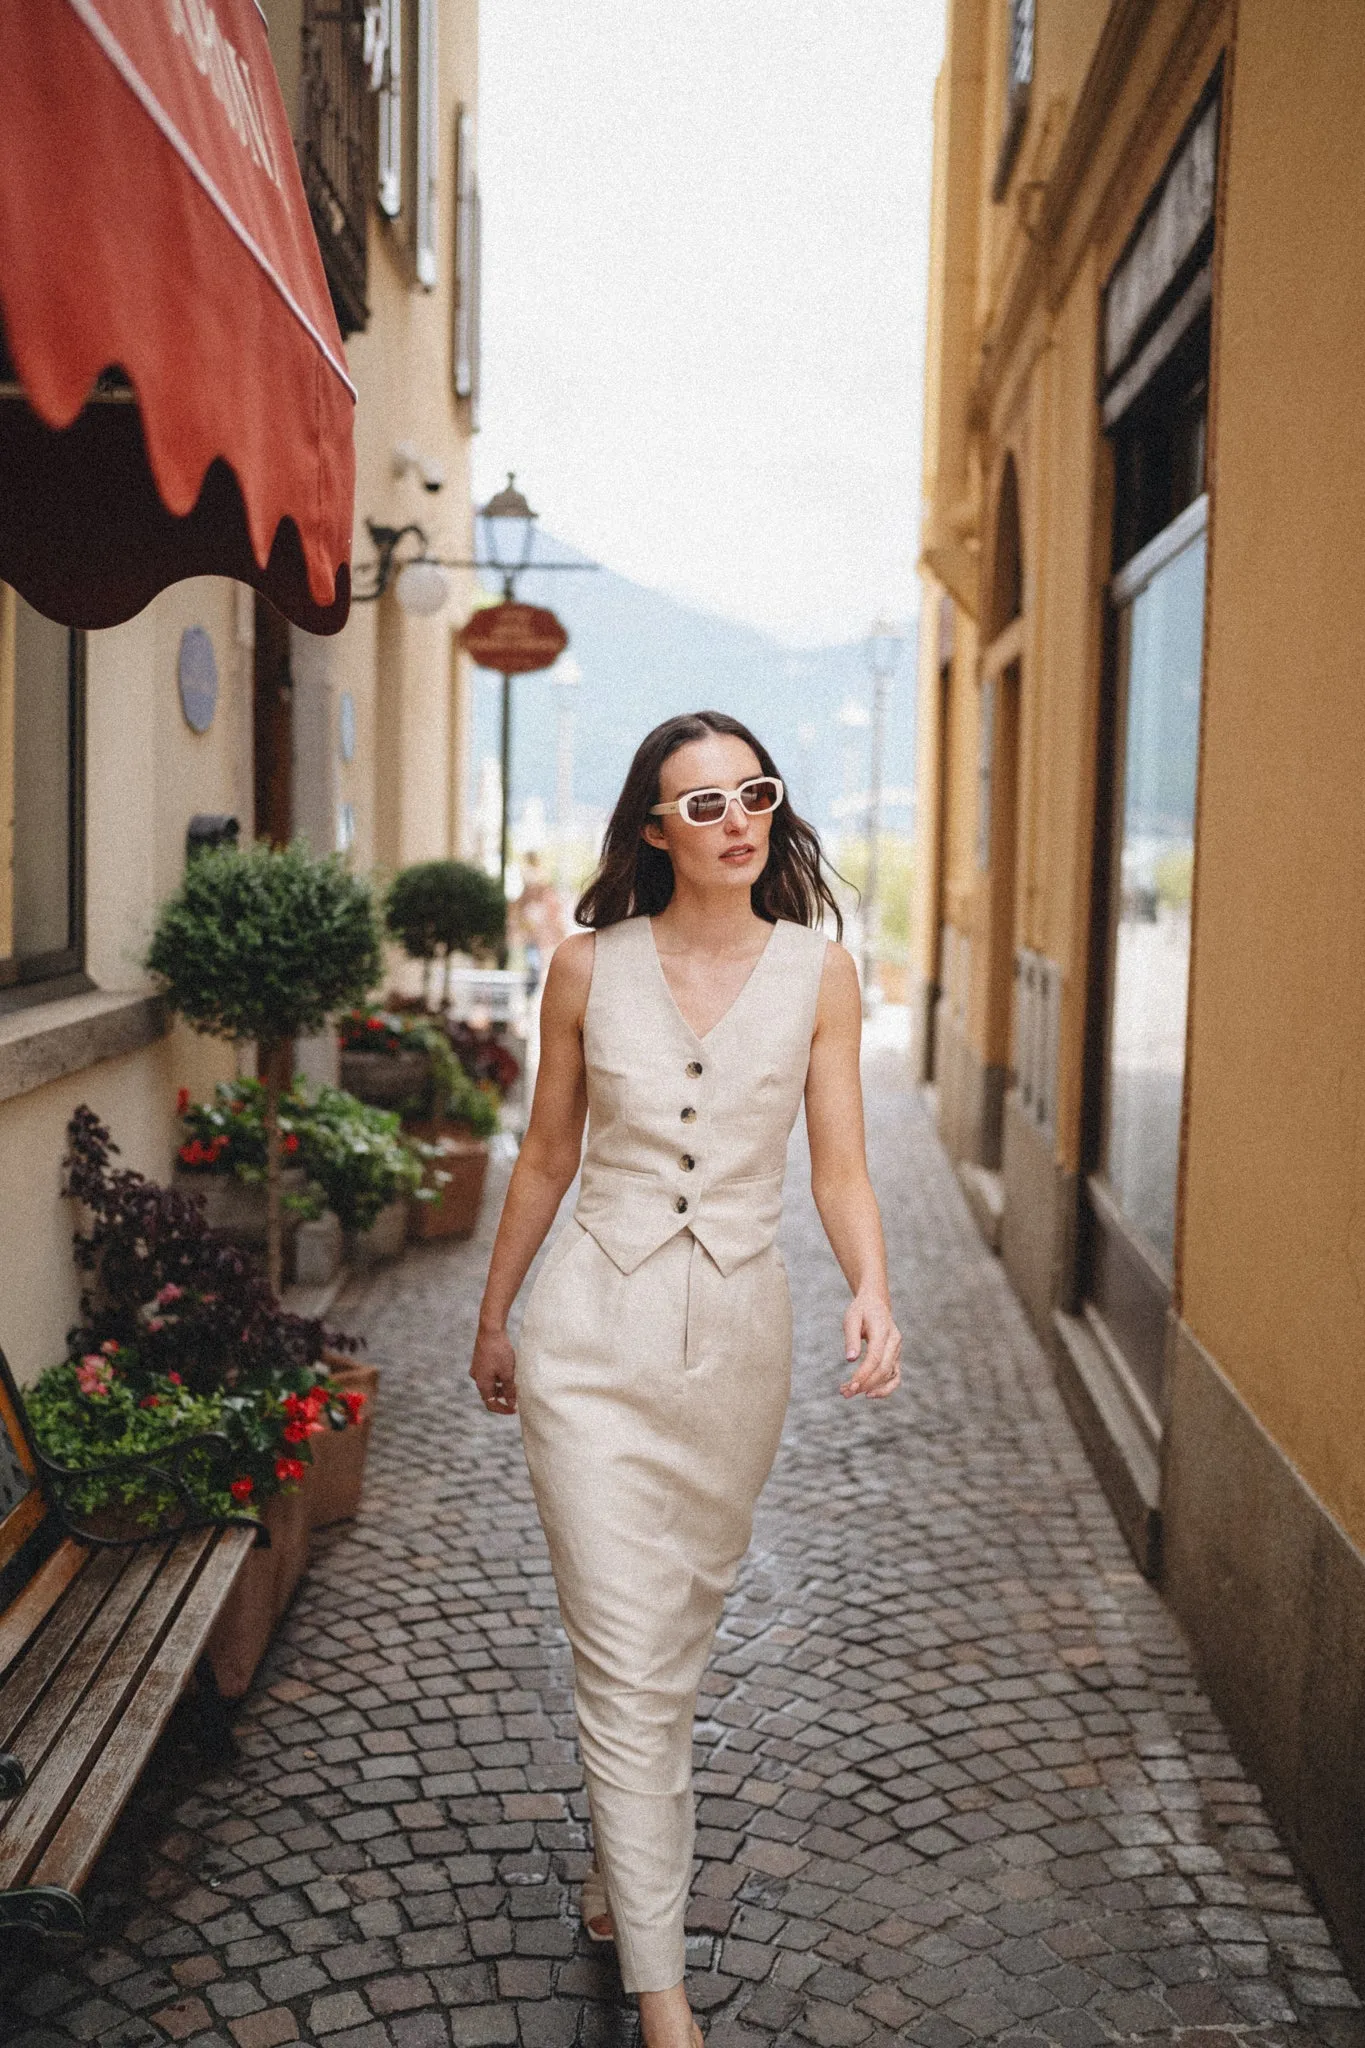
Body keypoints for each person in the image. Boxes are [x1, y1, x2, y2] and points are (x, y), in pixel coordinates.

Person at [469, 711, 901, 2048]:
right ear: (653, 831)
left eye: (752, 795)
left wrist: (873, 1287)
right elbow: (544, 1156)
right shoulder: (585, 970)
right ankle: (664, 1997)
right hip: (590, 1337)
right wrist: (497, 1321)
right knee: (621, 1654)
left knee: (676, 1646)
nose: (734, 821)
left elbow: (837, 1165)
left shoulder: (820, 972)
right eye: (699, 804)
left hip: (740, 1350)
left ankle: (620, 1875)